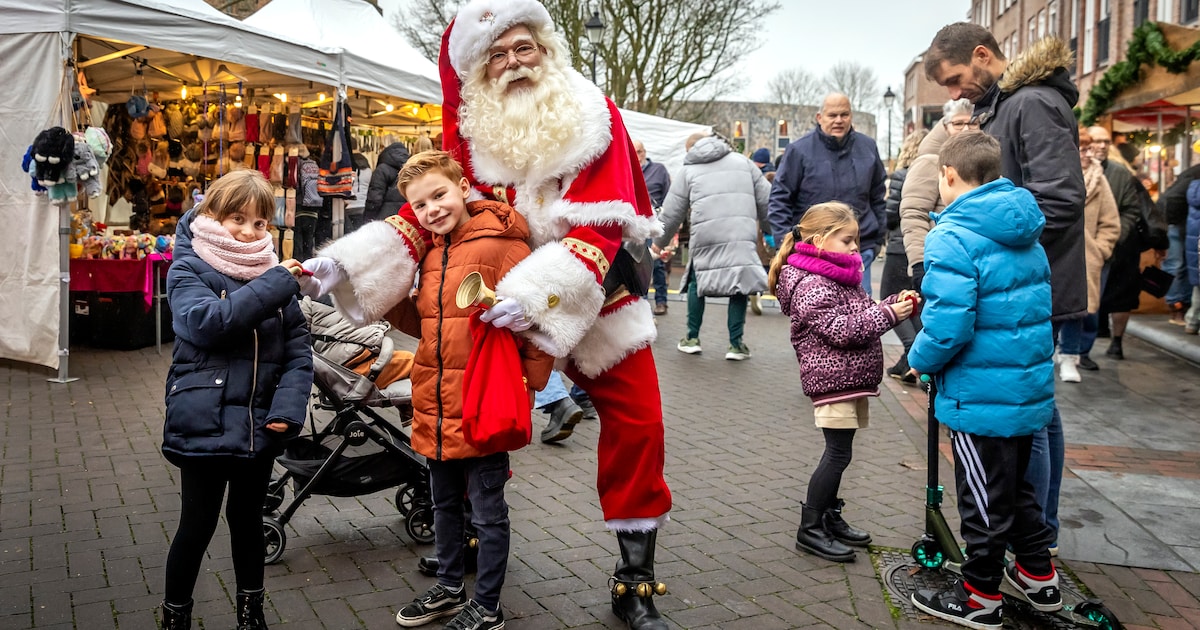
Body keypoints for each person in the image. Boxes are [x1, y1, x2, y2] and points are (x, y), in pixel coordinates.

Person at [300, 2, 673, 627]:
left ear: (547, 49)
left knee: (641, 424)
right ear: (479, 70)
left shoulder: (590, 115)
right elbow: (435, 215)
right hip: (489, 301)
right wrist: (346, 265)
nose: (512, 62)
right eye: (496, 54)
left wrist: (532, 299)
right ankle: (469, 539)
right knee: (469, 413)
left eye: (522, 47)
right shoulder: (471, 134)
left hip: (592, 293)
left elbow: (601, 228)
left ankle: (634, 579)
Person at [926, 23, 1085, 562]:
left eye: (955, 79)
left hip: (1021, 294)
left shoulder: (1032, 104)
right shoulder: (1009, 104)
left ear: (981, 56)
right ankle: (1032, 547)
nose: (953, 94)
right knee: (1033, 412)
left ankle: (1031, 547)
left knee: (1035, 419)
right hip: (1015, 291)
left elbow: (1059, 199)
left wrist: (987, 252)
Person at [386, 151, 553, 630]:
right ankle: (449, 585)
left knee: (487, 510)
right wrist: (380, 294)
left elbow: (542, 321)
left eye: (439, 194)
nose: (432, 209)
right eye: (420, 205)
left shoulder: (503, 242)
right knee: (441, 503)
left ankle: (488, 605)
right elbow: (426, 323)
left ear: (462, 186)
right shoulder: (432, 251)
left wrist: (528, 385)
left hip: (483, 401)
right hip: (437, 399)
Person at [907, 131, 1060, 630]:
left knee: (982, 499)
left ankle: (979, 598)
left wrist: (919, 358)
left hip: (979, 395)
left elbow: (949, 322)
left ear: (948, 176)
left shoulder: (951, 236)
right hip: (1025, 390)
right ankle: (1040, 577)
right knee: (1019, 492)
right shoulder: (1025, 229)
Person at [160, 170, 312, 630]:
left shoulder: (274, 275)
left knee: (248, 522)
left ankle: (252, 615)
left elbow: (298, 353)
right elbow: (208, 324)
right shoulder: (187, 266)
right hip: (203, 421)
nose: (249, 231)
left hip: (258, 424)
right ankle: (175, 617)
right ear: (211, 214)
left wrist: (287, 411)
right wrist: (278, 283)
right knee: (197, 526)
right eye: (237, 218)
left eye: (260, 223)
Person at [768, 202, 915, 562]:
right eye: (847, 240)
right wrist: (887, 314)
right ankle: (811, 528)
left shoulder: (834, 276)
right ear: (819, 241)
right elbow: (842, 329)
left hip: (847, 377)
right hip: (833, 379)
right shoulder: (811, 284)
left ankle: (829, 517)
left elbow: (858, 314)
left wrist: (891, 305)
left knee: (841, 453)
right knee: (837, 454)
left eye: (856, 240)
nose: (854, 248)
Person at [653, 131, 771, 361]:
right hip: (740, 235)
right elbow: (767, 201)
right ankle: (736, 345)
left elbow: (672, 211)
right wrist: (770, 230)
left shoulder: (688, 169)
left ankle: (692, 338)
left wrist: (660, 241)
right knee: (740, 285)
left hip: (705, 234)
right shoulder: (744, 163)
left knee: (698, 282)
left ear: (690, 149)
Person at [768, 93, 887, 296]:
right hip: (813, 252)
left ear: (851, 116)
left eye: (844, 114)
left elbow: (878, 195)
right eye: (832, 115)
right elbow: (779, 199)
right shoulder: (798, 151)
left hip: (859, 248)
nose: (838, 120)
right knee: (817, 315)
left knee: (861, 317)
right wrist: (787, 242)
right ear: (819, 117)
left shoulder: (868, 148)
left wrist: (876, 239)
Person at [1088, 126, 1168, 359]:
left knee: (1122, 296)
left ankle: (1117, 342)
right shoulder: (1074, 169)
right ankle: (1082, 347)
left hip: (1121, 245)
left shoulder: (1121, 174)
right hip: (1087, 245)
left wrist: (1114, 237)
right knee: (1091, 295)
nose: (1102, 146)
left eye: (1105, 141)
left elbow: (1132, 210)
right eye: (1096, 141)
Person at [1058, 129, 1120, 383]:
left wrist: (1099, 250)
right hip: (1057, 251)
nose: (1086, 154)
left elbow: (1111, 222)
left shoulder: (1099, 179)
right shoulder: (1057, 175)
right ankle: (1053, 351)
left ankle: (1071, 355)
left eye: (1089, 148)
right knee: (1052, 305)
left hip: (1086, 256)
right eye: (1081, 148)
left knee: (1079, 308)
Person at [899, 99, 975, 294]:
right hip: (939, 262)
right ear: (945, 126)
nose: (966, 129)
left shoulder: (978, 161)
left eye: (972, 122)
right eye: (958, 124)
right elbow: (914, 214)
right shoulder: (930, 161)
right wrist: (918, 263)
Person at [882, 129, 927, 383]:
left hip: (901, 245)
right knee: (917, 305)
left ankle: (911, 351)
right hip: (924, 248)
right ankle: (908, 360)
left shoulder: (902, 176)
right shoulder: (937, 173)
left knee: (891, 299)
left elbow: (890, 216)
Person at [1158, 163, 1200, 324]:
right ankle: (1176, 307)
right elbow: (1172, 199)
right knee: (1175, 265)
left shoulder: (1192, 172)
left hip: (1179, 223)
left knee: (1180, 265)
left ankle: (1179, 307)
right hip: (1175, 223)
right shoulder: (1196, 173)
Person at [635, 140, 673, 315]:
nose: (637, 155)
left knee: (656, 264)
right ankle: (642, 304)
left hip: (655, 222)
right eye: (634, 152)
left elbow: (670, 196)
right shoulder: (627, 169)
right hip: (635, 223)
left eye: (640, 151)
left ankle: (661, 301)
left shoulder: (659, 170)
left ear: (645, 152)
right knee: (637, 264)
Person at [364, 141, 411, 223]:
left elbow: (374, 197)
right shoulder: (409, 169)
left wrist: (368, 218)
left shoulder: (382, 169)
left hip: (385, 217)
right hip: (405, 217)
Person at [293, 145, 322, 262]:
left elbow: (294, 185)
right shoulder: (314, 164)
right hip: (314, 206)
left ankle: (299, 264)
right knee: (309, 239)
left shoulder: (295, 164)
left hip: (299, 206)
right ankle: (309, 263)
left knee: (298, 239)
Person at [345, 152, 372, 234]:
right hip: (363, 206)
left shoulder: (349, 172)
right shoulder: (369, 171)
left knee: (350, 233)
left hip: (349, 206)